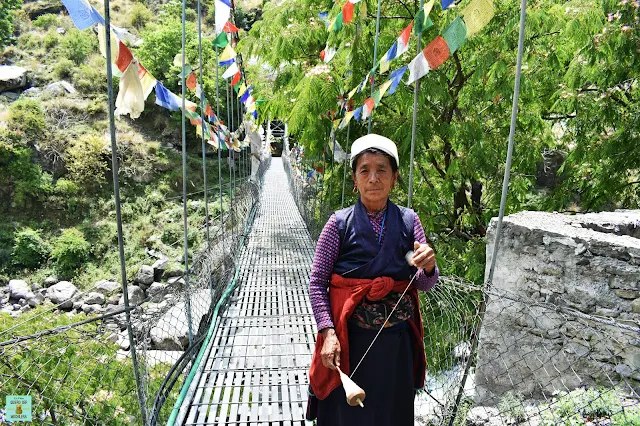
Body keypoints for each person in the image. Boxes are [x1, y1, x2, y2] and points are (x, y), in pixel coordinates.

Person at [307, 134, 439, 425]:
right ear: (355, 179)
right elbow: (317, 283)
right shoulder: (338, 225)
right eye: (364, 170)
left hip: (396, 345)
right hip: (351, 341)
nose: (373, 178)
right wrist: (327, 333)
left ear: (394, 178)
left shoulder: (409, 221)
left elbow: (422, 282)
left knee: (392, 414)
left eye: (382, 169)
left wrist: (429, 268)